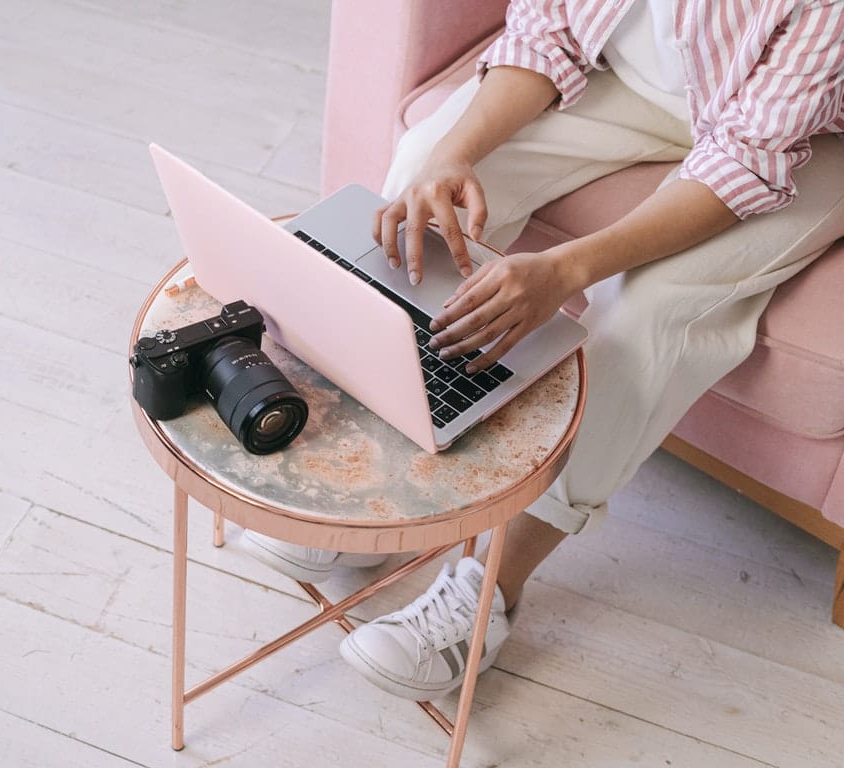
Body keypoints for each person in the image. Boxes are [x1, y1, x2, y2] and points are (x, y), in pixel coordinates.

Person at [247, 0, 844, 702]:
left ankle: (488, 589)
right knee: (420, 180)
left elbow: (746, 157)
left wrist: (564, 270)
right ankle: (378, 496)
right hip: (628, 84)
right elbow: (550, 27)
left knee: (647, 312)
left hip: (800, 139)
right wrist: (449, 158)